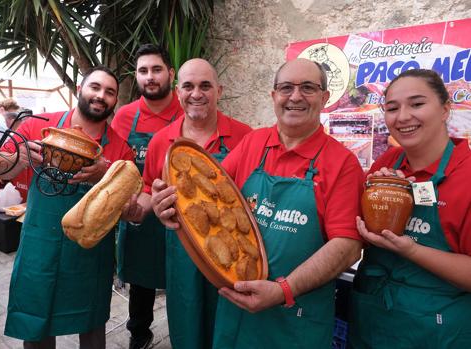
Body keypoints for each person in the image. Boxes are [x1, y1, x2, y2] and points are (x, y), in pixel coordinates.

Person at [153, 58, 364, 348]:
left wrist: (283, 290)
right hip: (237, 312)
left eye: (308, 88)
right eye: (286, 88)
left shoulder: (343, 164)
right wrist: (169, 207)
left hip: (295, 318)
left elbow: (348, 246)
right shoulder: (254, 143)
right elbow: (209, 198)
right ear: (274, 96)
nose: (295, 96)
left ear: (325, 97)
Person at [0, 66, 134, 349]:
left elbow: (129, 207)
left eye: (109, 92)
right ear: (80, 90)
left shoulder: (120, 150)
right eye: (95, 87)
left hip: (89, 253)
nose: (100, 96)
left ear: (114, 101)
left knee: (91, 325)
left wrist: (104, 176)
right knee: (36, 323)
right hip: (39, 245)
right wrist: (17, 159)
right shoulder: (39, 126)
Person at [123, 58, 252, 349]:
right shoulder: (161, 141)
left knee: (228, 328)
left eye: (205, 86)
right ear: (178, 91)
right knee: (186, 325)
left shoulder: (247, 137)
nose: (197, 94)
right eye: (189, 86)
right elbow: (147, 187)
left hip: (233, 254)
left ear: (219, 90)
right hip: (182, 253)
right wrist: (141, 209)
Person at [350, 69, 471, 348]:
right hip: (372, 320)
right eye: (392, 108)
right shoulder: (388, 163)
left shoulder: (466, 174)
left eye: (417, 104)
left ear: (444, 109)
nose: (403, 116)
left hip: (436, 331)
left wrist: (411, 250)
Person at [111, 44, 183, 349]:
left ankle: (185, 334)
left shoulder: (187, 111)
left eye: (156, 69)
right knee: (140, 283)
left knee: (181, 281)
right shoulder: (125, 117)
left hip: (179, 214)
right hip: (138, 212)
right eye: (143, 71)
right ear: (136, 77)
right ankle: (139, 335)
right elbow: (114, 163)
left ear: (170, 73)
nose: (150, 77)